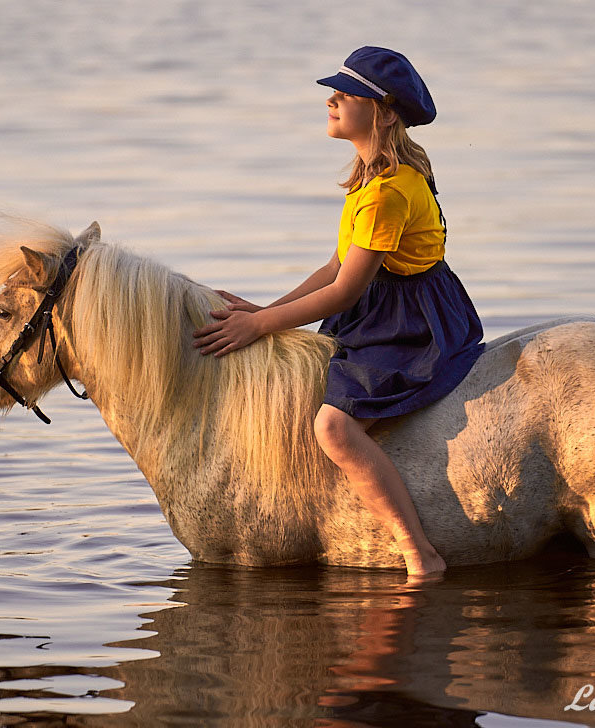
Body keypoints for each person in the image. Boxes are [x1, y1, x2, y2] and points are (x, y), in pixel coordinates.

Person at [192, 46, 484, 577]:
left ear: (385, 111)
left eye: (347, 94)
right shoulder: (368, 180)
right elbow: (334, 266)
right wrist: (267, 310)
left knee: (333, 429)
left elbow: (345, 291)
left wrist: (258, 326)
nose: (331, 99)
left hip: (411, 321)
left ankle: (419, 552)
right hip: (381, 307)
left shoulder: (387, 192)